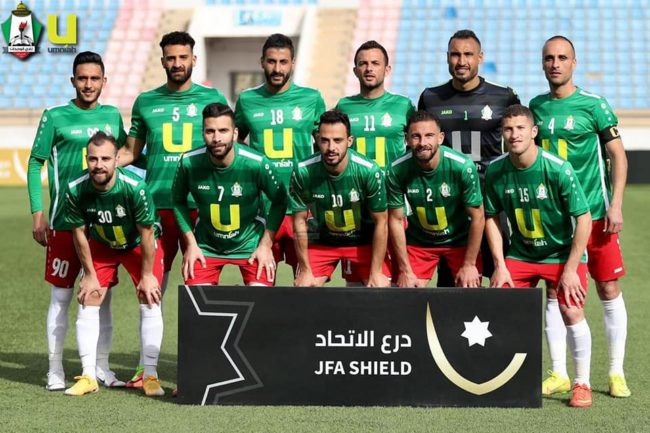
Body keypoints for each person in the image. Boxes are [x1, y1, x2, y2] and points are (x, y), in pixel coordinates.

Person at [117, 31, 228, 387]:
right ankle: (147, 370)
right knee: (152, 289)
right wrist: (100, 168)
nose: (177, 63)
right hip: (156, 210)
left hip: (201, 209)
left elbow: (225, 146)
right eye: (171, 57)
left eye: (183, 57)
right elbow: (131, 152)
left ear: (194, 59)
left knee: (201, 290)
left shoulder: (212, 98)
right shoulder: (146, 101)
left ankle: (201, 368)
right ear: (162, 60)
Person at [530, 35, 630, 398]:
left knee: (608, 288)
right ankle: (558, 372)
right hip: (555, 220)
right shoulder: (536, 107)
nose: (555, 64)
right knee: (555, 291)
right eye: (549, 58)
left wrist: (615, 204)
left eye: (562, 58)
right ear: (542, 64)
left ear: (574, 63)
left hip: (596, 214)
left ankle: (616, 372)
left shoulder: (594, 105)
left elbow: (618, 156)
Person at [27, 51, 126, 391]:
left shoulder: (112, 116)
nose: (88, 84)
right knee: (61, 297)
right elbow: (34, 163)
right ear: (73, 81)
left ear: (104, 81)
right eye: (82, 78)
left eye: (94, 78)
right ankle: (54, 368)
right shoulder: (55, 116)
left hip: (102, 224)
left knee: (102, 298)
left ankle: (101, 367)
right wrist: (38, 213)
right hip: (64, 222)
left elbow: (122, 158)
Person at [485, 105, 593, 408]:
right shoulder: (495, 170)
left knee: (571, 310)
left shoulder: (558, 168)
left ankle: (582, 382)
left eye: (520, 128)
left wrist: (570, 269)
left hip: (561, 254)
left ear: (533, 132)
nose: (514, 134)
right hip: (521, 254)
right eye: (508, 129)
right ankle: (510, 378)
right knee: (501, 308)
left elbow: (583, 218)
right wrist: (500, 265)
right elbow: (491, 216)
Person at [64, 132, 165, 397]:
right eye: (93, 159)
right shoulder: (75, 188)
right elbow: (78, 233)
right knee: (89, 296)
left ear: (117, 159)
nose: (99, 165)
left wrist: (147, 275)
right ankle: (88, 376)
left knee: (150, 297)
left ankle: (150, 375)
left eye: (105, 159)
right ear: (87, 159)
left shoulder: (135, 188)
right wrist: (89, 274)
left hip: (137, 244)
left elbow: (147, 233)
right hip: (102, 244)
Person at [418, 29, 520, 287]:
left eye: (468, 54)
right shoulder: (430, 98)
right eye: (455, 55)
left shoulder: (504, 96)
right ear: (447, 57)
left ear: (480, 57)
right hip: (449, 203)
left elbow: (521, 142)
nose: (461, 61)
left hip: (490, 201)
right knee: (451, 283)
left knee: (500, 278)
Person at [235, 33, 325, 275]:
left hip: (304, 206)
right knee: (261, 280)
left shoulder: (312, 98)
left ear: (293, 63)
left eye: (283, 62)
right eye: (271, 61)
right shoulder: (247, 100)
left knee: (307, 281)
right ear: (262, 62)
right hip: (261, 206)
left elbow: (325, 146)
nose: (277, 68)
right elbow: (235, 141)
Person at [172, 103, 287, 286]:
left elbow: (280, 201)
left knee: (261, 301)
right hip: (206, 246)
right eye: (210, 131)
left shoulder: (257, 163)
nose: (216, 138)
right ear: (202, 133)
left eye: (223, 131)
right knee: (196, 301)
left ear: (234, 133)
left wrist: (266, 245)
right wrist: (191, 245)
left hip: (251, 244)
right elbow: (178, 201)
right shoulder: (188, 162)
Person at [335, 40, 416, 284]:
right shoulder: (344, 106)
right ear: (355, 70)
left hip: (393, 203)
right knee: (356, 283)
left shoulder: (404, 106)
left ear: (387, 69)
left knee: (398, 279)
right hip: (355, 204)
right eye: (363, 63)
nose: (369, 68)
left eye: (375, 63)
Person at [290, 110, 390, 287]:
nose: (331, 148)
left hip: (362, 243)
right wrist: (305, 269)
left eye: (338, 140)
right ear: (317, 139)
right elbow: (299, 221)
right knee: (304, 289)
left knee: (380, 288)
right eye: (325, 140)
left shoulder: (369, 171)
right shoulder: (303, 170)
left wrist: (375, 272)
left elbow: (381, 222)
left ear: (349, 141)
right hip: (321, 242)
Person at [387, 111, 484, 288]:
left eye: (429, 136)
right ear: (407, 139)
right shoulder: (396, 169)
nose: (422, 143)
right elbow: (396, 220)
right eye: (416, 136)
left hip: (459, 241)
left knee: (470, 289)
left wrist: (469, 264)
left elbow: (478, 217)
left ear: (440, 138)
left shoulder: (462, 167)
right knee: (406, 293)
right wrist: (405, 270)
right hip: (420, 242)